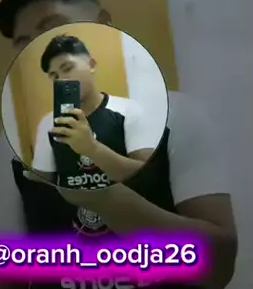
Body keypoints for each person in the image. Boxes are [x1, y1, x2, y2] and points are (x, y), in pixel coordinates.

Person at [0, 0, 238, 289]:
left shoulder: (177, 118)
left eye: (54, 30)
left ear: (103, 25)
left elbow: (219, 267)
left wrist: (103, 198)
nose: (43, 51)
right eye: (26, 44)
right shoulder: (16, 145)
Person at [32, 34, 161, 228]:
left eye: (67, 68)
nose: (63, 79)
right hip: (72, 236)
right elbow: (41, 188)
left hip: (128, 231)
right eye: (55, 76)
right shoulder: (48, 124)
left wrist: (92, 149)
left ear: (91, 64)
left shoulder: (128, 110)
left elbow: (147, 177)